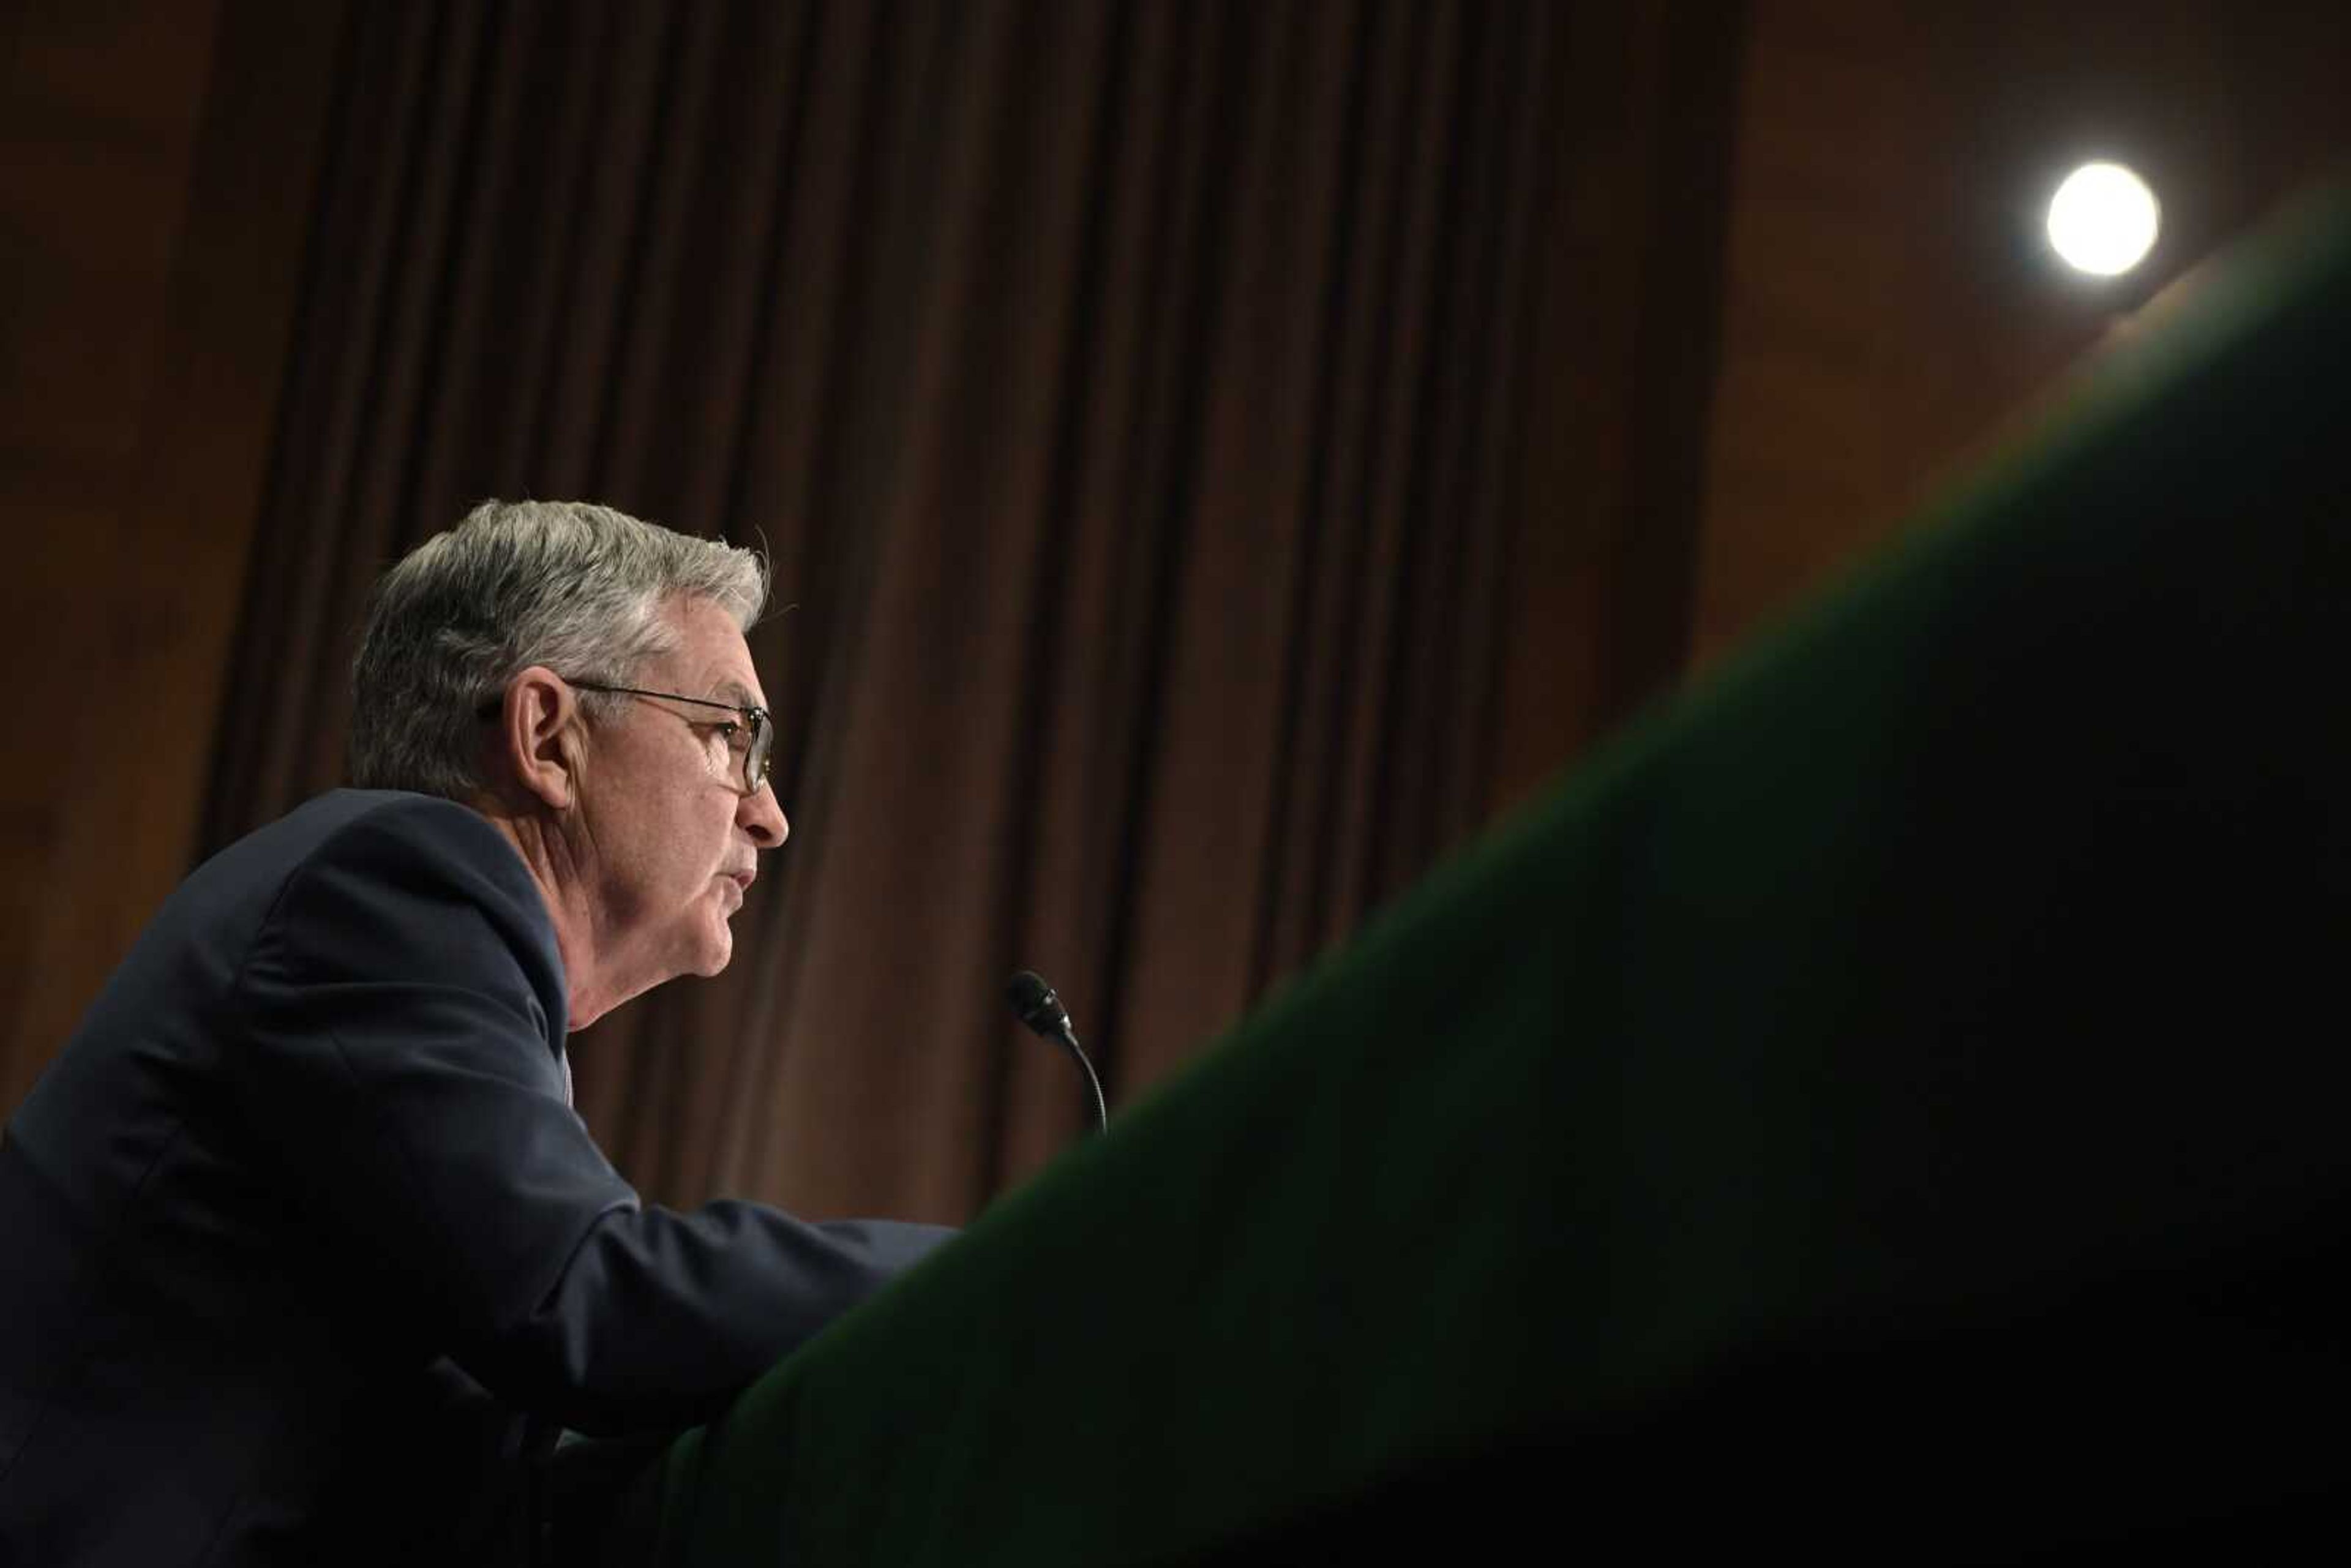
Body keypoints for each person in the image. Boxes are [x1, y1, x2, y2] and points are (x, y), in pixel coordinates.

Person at [0, 501, 954, 1566]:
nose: (769, 812)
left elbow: (471, 1479)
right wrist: (986, 1276)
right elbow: (580, 1299)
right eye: (735, 737)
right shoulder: (395, 885)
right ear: (549, 736)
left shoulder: (421, 956)